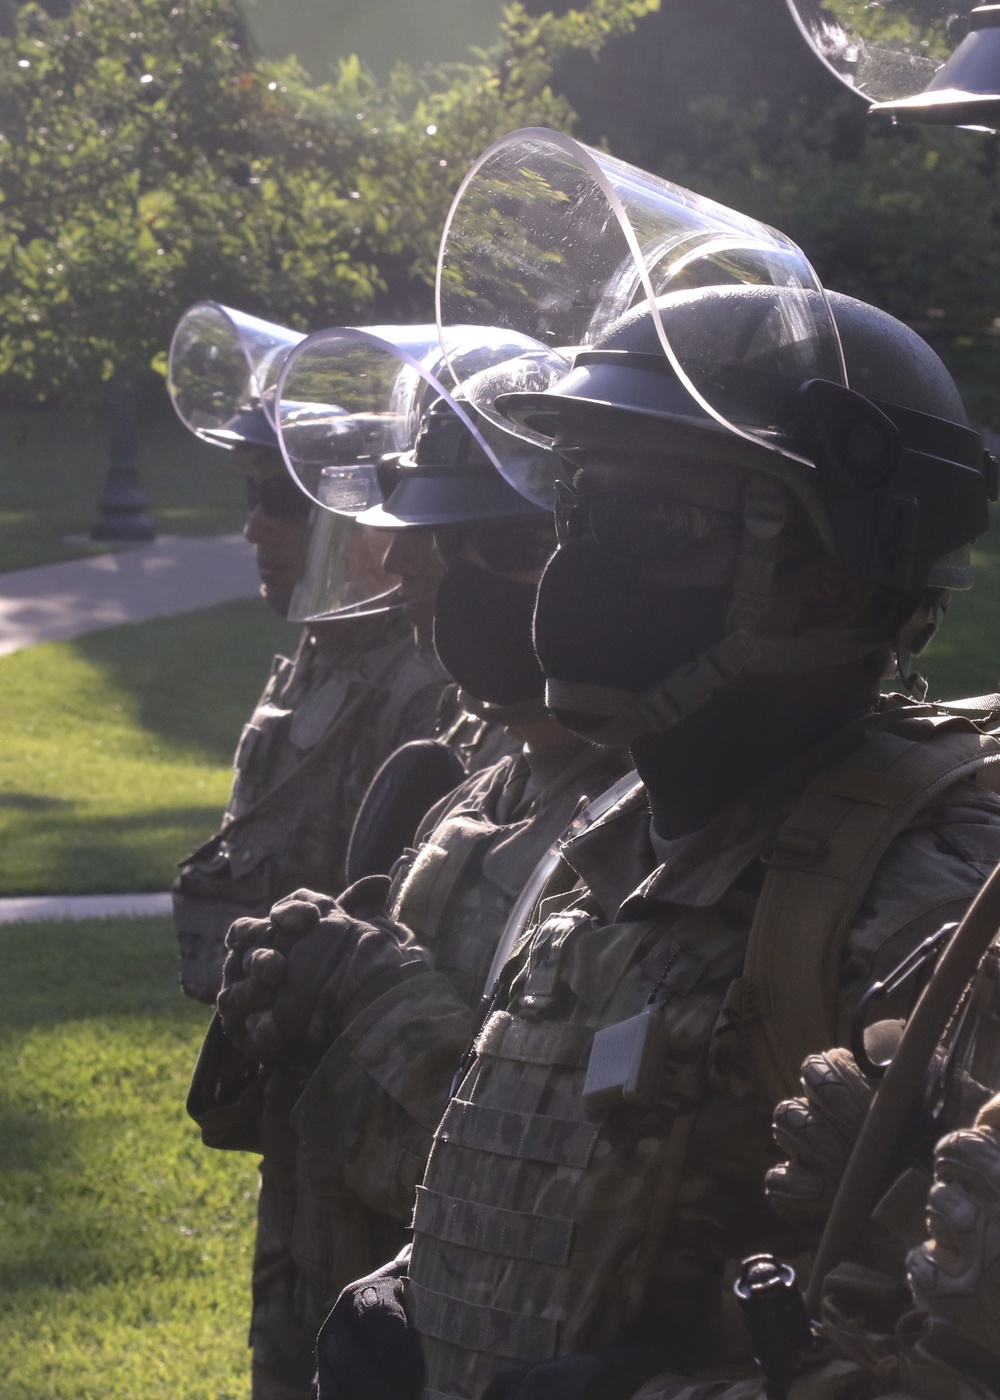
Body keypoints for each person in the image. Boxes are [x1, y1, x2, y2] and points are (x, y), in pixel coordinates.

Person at [299, 276, 1000, 1400]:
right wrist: (424, 1288)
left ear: (823, 590)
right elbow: (598, 1184)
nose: (576, 564)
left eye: (653, 525)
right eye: (576, 507)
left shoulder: (923, 900)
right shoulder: (612, 844)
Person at [199, 388, 631, 1400]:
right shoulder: (485, 779)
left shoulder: (643, 829)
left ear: (546, 556)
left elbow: (549, 1195)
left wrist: (364, 988)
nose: (396, 565)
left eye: (443, 537)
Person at [167, 306, 464, 1004]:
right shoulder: (321, 647)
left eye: (285, 499)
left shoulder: (425, 686)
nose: (253, 527)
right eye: (253, 492)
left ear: (360, 514)